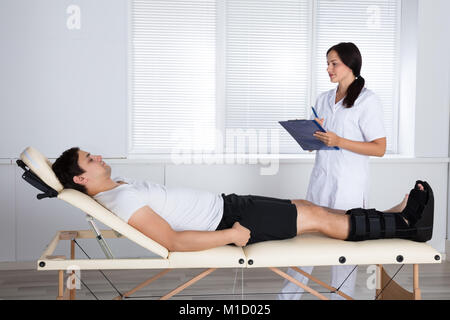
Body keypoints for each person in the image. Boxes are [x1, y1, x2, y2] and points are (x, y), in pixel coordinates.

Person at [51, 147, 433, 254]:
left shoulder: (118, 187)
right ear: (82, 178)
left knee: (306, 206)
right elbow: (172, 242)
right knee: (314, 217)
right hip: (226, 219)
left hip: (227, 203)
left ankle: (386, 216)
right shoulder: (121, 202)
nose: (98, 155)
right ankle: (407, 226)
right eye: (90, 159)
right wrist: (231, 236)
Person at [279, 42, 387, 300]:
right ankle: (287, 297)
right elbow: (324, 138)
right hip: (320, 182)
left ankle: (341, 298)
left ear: (351, 65)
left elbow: (379, 148)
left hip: (348, 187)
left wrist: (339, 141)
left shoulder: (367, 101)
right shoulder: (323, 99)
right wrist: (311, 140)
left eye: (333, 63)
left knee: (343, 255)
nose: (328, 68)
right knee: (304, 244)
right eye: (327, 63)